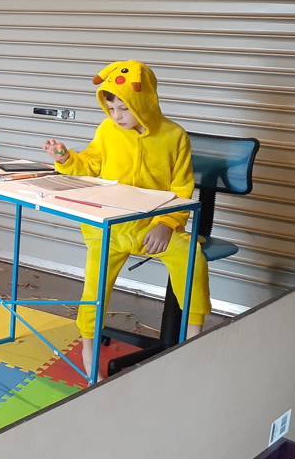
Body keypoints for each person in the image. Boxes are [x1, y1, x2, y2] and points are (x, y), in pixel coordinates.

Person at [42, 60, 211, 374]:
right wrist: (65, 159)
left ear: (144, 101)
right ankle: (89, 351)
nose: (116, 115)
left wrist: (166, 224)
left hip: (154, 228)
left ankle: (193, 340)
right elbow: (90, 164)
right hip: (109, 228)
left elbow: (183, 188)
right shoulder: (107, 129)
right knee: (94, 288)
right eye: (111, 107)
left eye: (124, 107)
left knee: (192, 258)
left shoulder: (174, 136)